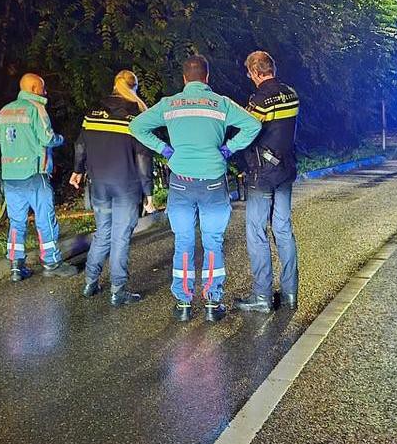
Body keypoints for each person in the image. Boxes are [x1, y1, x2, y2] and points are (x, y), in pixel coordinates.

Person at [130, 55, 261, 322]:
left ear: (184, 78)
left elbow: (136, 126)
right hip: (213, 181)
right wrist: (227, 148)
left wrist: (164, 149)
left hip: (181, 182)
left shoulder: (170, 104)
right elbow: (253, 125)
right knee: (213, 241)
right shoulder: (221, 103)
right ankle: (213, 303)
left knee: (183, 242)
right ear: (207, 78)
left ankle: (183, 304)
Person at [69, 70, 155, 307]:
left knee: (102, 233)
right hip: (126, 187)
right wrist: (148, 193)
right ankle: (118, 290)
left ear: (115, 86)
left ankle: (90, 282)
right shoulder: (136, 114)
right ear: (134, 87)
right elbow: (143, 157)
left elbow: (80, 145)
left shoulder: (94, 111)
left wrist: (77, 170)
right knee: (120, 237)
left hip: (99, 185)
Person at [234, 51, 300, 312]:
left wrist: (229, 149)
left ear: (255, 72)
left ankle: (261, 296)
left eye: (250, 73)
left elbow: (249, 130)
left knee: (257, 232)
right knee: (283, 230)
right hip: (285, 170)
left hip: (262, 174)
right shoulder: (291, 93)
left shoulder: (261, 99)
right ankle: (290, 293)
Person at [0, 73, 79, 281]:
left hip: (10, 176)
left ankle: (16, 266)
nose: (45, 92)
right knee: (45, 218)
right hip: (34, 174)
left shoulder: (4, 111)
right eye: (42, 88)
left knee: (17, 221)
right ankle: (51, 262)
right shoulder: (36, 109)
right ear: (34, 89)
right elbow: (47, 138)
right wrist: (61, 139)